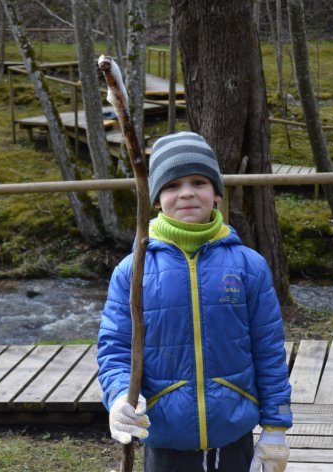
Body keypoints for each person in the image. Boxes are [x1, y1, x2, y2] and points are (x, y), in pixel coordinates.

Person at [97, 131, 293, 472]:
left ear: (216, 193)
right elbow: (115, 349)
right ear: (155, 199)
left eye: (199, 182)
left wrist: (276, 427)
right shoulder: (132, 271)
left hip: (234, 438)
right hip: (164, 440)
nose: (186, 192)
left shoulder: (249, 266)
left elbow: (269, 350)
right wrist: (118, 398)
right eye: (172, 185)